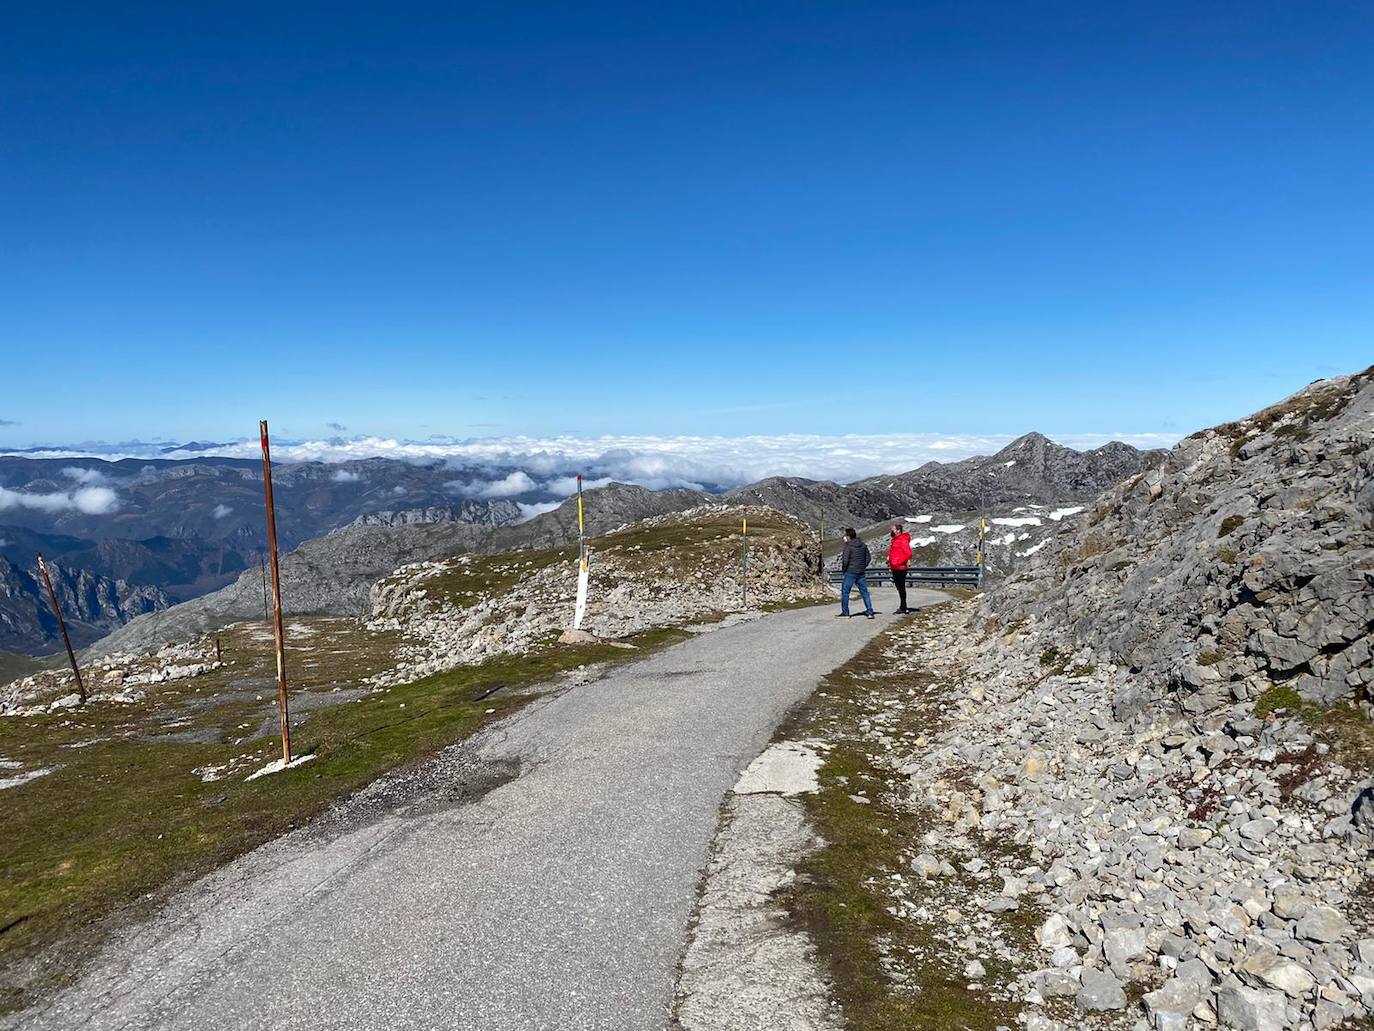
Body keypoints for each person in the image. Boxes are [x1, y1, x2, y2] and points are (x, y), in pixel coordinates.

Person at [837, 527, 875, 619]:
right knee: (864, 592)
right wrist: (863, 566)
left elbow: (845, 560)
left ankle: (845, 612)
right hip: (861, 572)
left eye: (845, 535)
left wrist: (844, 570)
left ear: (848, 536)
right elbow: (868, 558)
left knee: (845, 592)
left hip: (850, 572)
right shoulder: (863, 545)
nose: (844, 537)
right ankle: (870, 611)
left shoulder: (848, 546)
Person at [887, 522, 912, 614]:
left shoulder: (903, 540)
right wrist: (889, 558)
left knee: (901, 587)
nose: (891, 531)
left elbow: (908, 553)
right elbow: (894, 551)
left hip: (900, 567)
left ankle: (904, 607)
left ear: (898, 530)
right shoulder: (895, 540)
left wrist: (897, 562)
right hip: (895, 567)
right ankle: (903, 606)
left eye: (893, 529)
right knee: (899, 587)